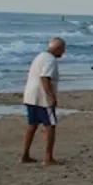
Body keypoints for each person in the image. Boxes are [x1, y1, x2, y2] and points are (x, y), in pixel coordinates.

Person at [20, 37, 66, 166]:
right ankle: (48, 157)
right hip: (42, 97)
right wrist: (51, 96)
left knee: (32, 124)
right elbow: (45, 78)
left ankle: (25, 155)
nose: (63, 53)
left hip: (30, 95)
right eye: (63, 49)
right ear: (58, 48)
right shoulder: (50, 60)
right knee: (50, 125)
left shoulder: (40, 56)